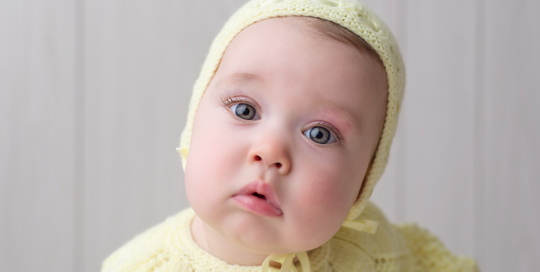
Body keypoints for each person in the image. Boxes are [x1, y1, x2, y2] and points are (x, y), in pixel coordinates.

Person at [101, 0, 478, 271]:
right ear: (193, 121)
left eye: (319, 134)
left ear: (363, 183)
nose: (270, 151)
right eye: (245, 110)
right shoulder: (141, 267)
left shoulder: (375, 254)